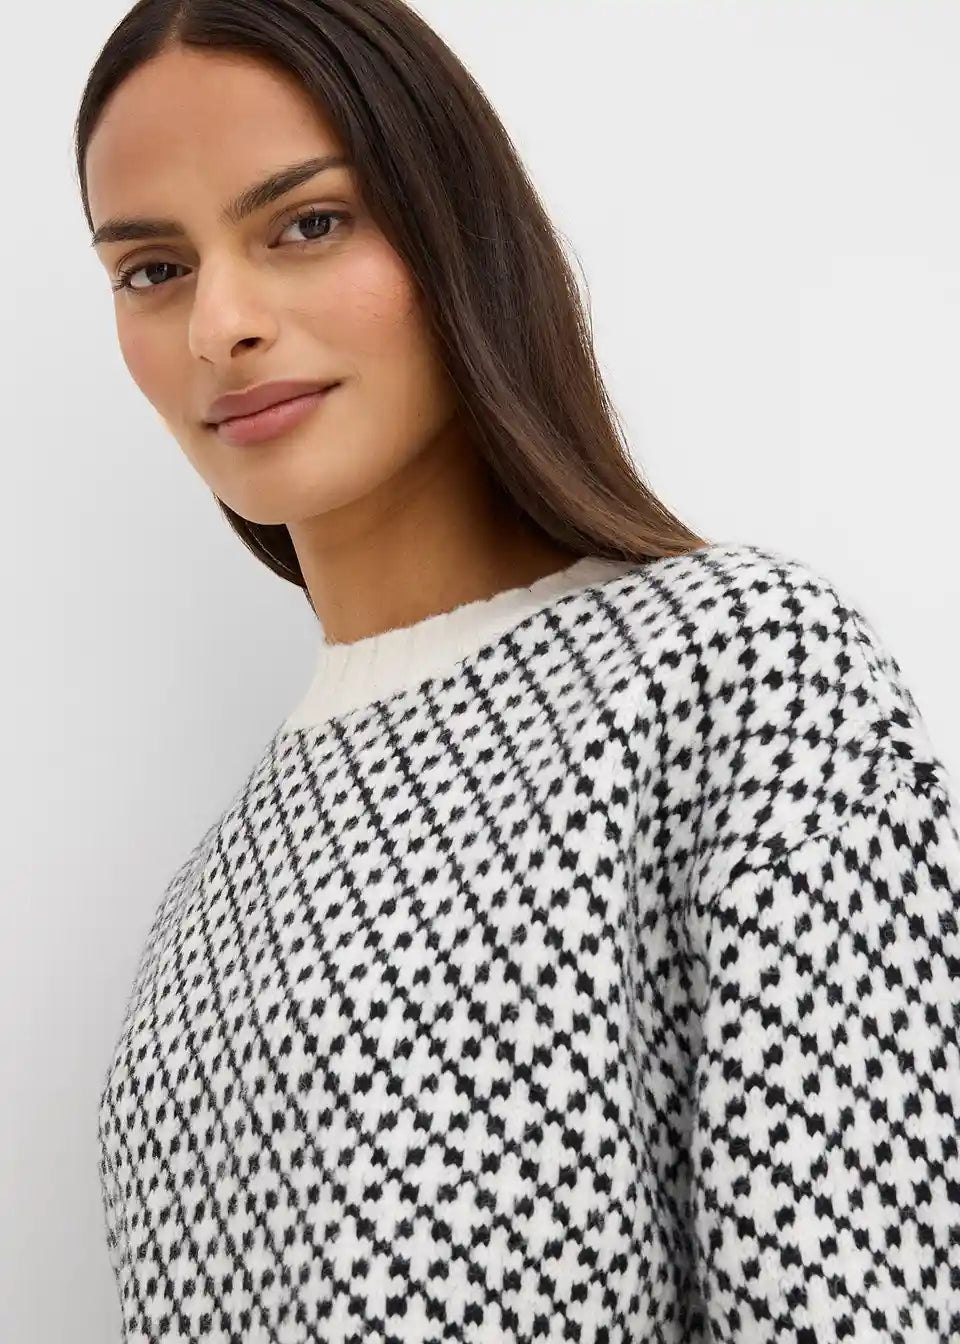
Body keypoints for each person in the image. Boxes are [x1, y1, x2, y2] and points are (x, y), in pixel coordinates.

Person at [76, 1, 960, 1340]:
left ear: (459, 230)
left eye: (308, 224)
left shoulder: (740, 675)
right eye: (153, 267)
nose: (221, 325)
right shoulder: (208, 892)